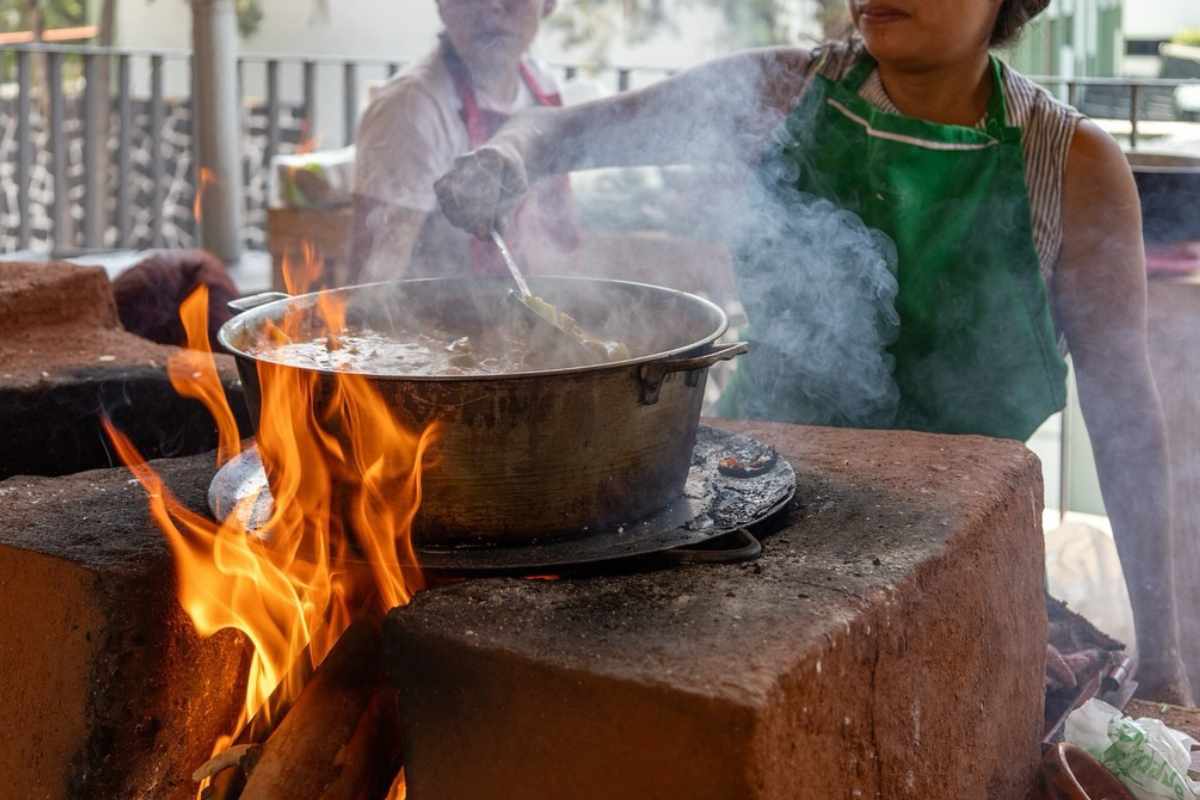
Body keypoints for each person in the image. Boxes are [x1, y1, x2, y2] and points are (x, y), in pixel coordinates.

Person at [433, 0, 1193, 703]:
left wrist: (1164, 663)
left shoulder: (1070, 165)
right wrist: (506, 160)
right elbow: (570, 130)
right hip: (738, 524)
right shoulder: (784, 90)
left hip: (956, 553)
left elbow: (1126, 418)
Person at [350, 0, 578, 282]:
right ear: (442, 6)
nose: (493, 5)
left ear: (549, 4)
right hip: (440, 322)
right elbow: (372, 286)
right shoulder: (410, 109)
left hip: (532, 313)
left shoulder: (542, 84)